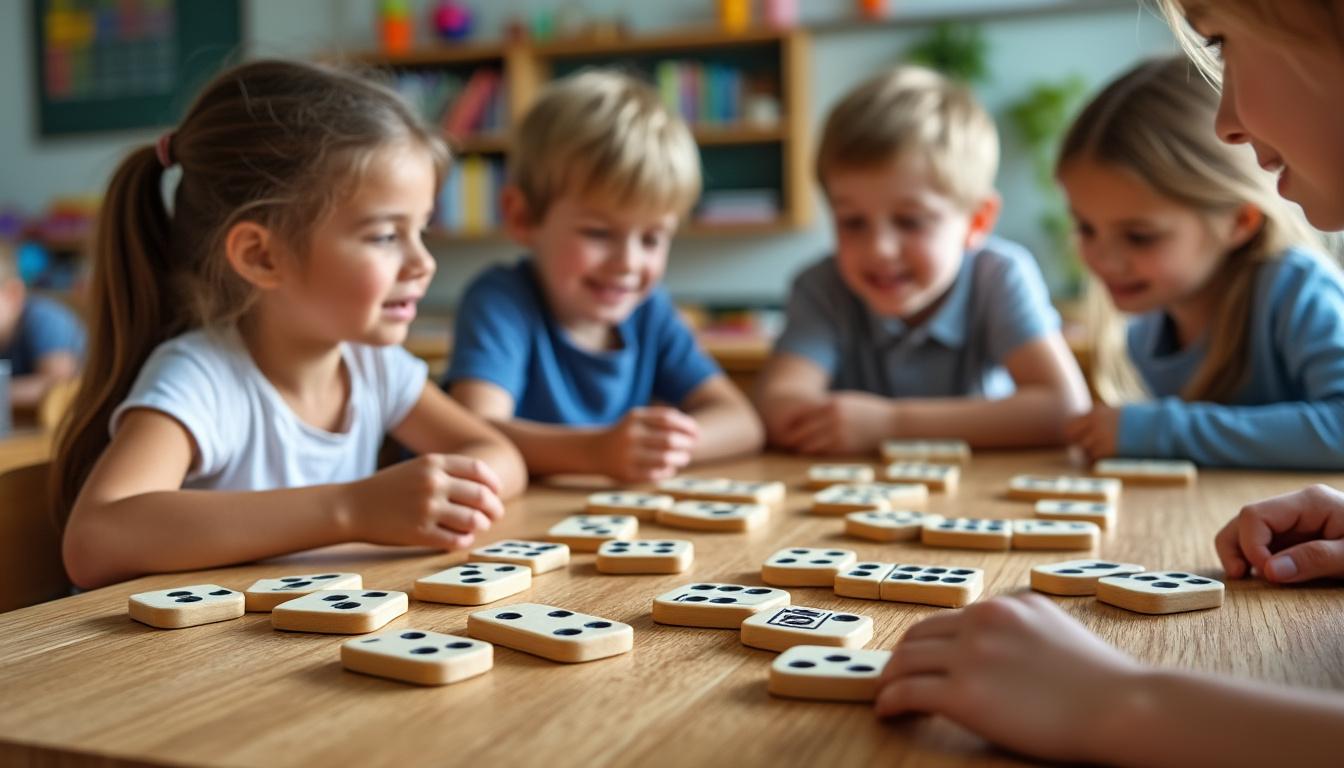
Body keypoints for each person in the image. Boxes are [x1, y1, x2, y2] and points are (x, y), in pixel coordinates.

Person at [56, 60, 527, 590]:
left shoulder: (373, 366)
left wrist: (448, 493)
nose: (423, 263)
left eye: (420, 229)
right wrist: (350, 509)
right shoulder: (202, 376)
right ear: (262, 256)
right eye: (384, 236)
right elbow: (95, 541)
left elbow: (500, 455)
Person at [446, 71, 764, 483]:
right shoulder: (501, 301)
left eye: (651, 238)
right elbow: (474, 433)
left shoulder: (650, 310)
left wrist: (661, 449)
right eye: (598, 233)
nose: (628, 263)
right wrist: (596, 453)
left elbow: (743, 422)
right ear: (522, 217)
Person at [755, 65, 1089, 455]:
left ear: (976, 221)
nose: (879, 248)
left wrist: (890, 425)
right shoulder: (820, 286)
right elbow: (778, 403)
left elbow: (1063, 408)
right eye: (852, 222)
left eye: (910, 221)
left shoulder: (999, 276)